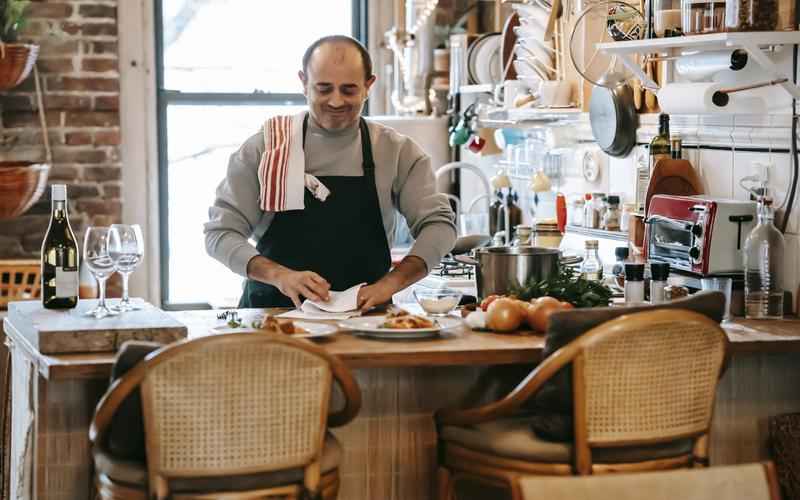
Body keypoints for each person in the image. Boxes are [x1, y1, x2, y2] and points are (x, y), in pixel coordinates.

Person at [204, 35, 456, 310]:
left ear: (368, 86)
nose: (336, 102)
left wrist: (390, 284)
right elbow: (220, 234)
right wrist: (278, 275)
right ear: (303, 83)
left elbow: (440, 227)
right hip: (272, 321)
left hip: (367, 322)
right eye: (323, 89)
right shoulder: (267, 148)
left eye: (348, 90)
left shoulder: (395, 152)